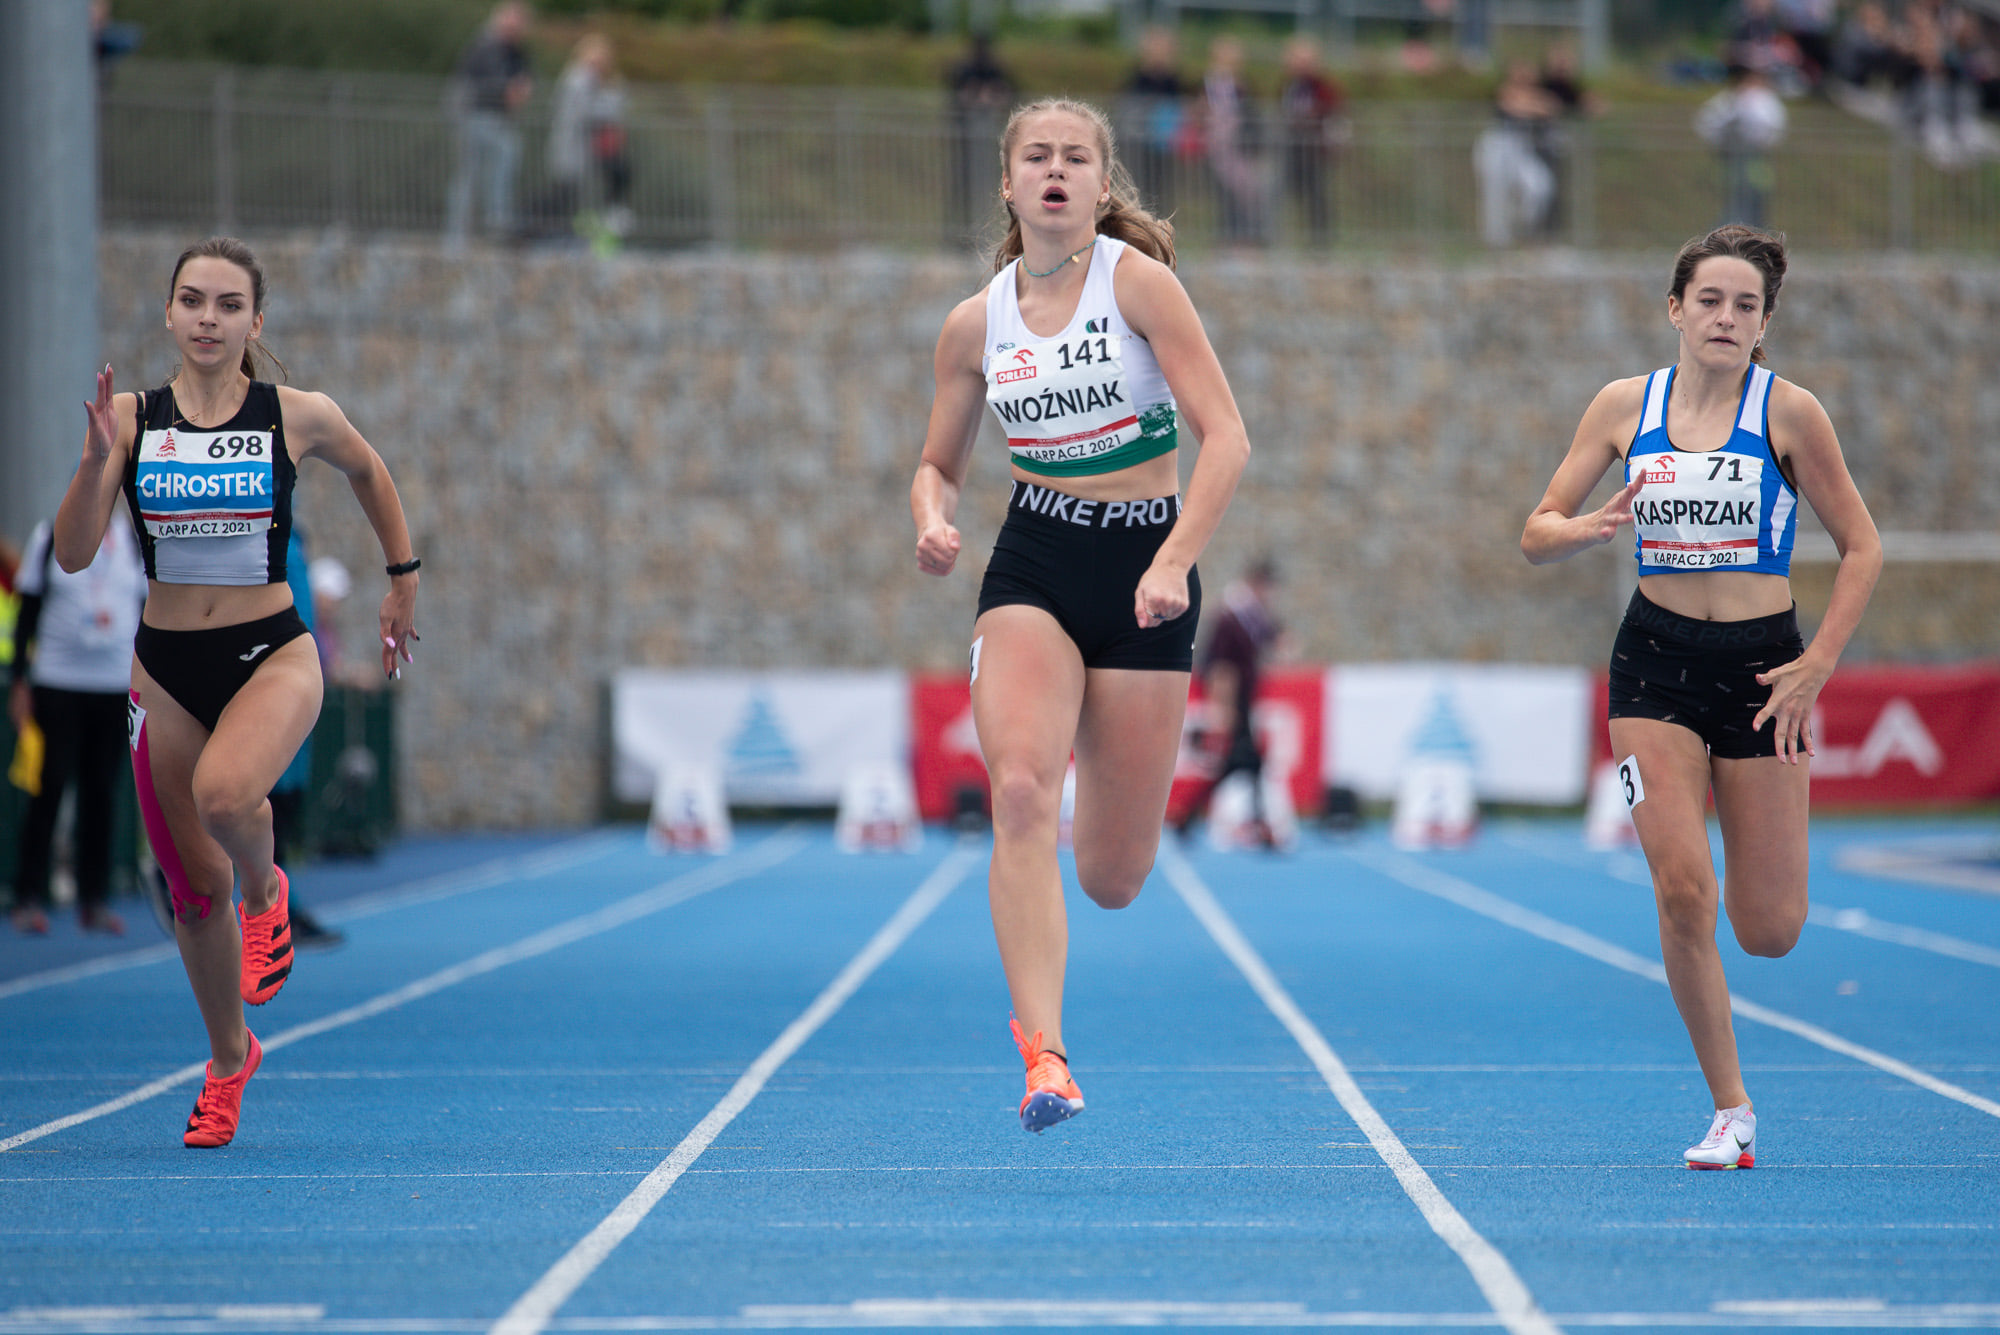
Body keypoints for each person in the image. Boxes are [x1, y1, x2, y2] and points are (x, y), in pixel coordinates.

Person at [910, 98, 1251, 1133]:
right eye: (1034, 157)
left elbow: (1225, 437)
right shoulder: (976, 322)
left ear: (1102, 186)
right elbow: (935, 463)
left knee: (1111, 875)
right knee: (1017, 792)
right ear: (1008, 183)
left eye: (1074, 158)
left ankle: (1058, 1014)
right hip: (1036, 563)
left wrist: (1175, 562)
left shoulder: (1138, 285)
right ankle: (1045, 1058)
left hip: (1147, 565)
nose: (1053, 172)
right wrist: (931, 517)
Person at [1521, 225, 1881, 1169]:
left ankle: (1739, 1046)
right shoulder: (1623, 404)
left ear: (1764, 323)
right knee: (1684, 889)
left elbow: (1864, 548)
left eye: (1746, 305)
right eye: (1711, 300)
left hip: (1767, 672)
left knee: (1769, 931)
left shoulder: (1790, 414)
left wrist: (1816, 667)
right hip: (1655, 665)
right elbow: (1536, 528)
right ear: (1676, 308)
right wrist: (1587, 528)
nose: (1727, 317)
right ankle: (1732, 1110)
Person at [53, 236, 420, 1147]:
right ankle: (227, 1061)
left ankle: (269, 896)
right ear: (170, 314)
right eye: (192, 300)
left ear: (255, 320)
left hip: (272, 651)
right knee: (189, 893)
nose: (208, 318)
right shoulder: (132, 420)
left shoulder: (296, 415)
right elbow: (69, 553)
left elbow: (370, 471)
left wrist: (402, 575)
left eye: (226, 303)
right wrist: (96, 461)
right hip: (166, 667)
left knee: (228, 796)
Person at [8, 513, 148, 935]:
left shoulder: (133, 541)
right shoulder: (49, 535)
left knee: (102, 794)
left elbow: (147, 613)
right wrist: (19, 681)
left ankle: (94, 898)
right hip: (58, 682)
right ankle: (28, 895)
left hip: (113, 685)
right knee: (48, 789)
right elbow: (27, 609)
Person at [1176, 558, 1283, 842]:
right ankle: (1256, 823)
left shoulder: (1250, 616)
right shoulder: (1232, 617)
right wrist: (1222, 706)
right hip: (1235, 701)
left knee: (1242, 763)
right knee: (1247, 762)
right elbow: (1220, 667)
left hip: (1243, 699)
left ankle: (1188, 818)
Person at [445, 1, 534, 246]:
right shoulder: (485, 45)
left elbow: (523, 79)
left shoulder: (514, 50)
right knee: (473, 174)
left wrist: (520, 89)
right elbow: (487, 83)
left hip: (496, 118)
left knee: (493, 163)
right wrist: (510, 90)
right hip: (474, 116)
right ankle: (466, 233)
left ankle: (494, 221)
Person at [546, 32, 632, 250]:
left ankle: (585, 235)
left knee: (581, 194)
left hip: (591, 151)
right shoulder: (578, 79)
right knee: (566, 194)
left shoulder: (604, 81)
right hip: (574, 147)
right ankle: (555, 233)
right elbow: (584, 112)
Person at [1475, 59, 1559, 247]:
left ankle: (1524, 228)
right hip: (1498, 145)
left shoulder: (1535, 94)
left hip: (1521, 147)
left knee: (1540, 185)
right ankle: (1496, 240)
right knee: (1496, 193)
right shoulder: (1506, 90)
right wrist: (1536, 106)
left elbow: (1552, 106)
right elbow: (1515, 105)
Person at [1695, 63, 1787, 228]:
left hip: (1755, 155)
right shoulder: (1729, 98)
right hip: (1731, 156)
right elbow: (1708, 122)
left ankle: (1753, 230)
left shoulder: (1764, 99)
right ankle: (1731, 229)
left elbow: (1772, 127)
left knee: (1754, 197)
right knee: (1734, 198)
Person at [945, 33, 1017, 244]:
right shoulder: (964, 70)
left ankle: (987, 237)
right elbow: (956, 97)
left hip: (989, 143)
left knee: (991, 191)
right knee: (961, 191)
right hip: (965, 143)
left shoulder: (994, 70)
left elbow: (1009, 93)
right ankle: (958, 238)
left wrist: (992, 96)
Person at [1278, 37, 1347, 247]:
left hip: (1315, 151)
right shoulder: (1289, 86)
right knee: (1281, 194)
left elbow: (1333, 114)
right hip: (1293, 149)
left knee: (1317, 198)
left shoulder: (1323, 87)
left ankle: (1321, 242)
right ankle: (1281, 239)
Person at [1122, 27, 1187, 217]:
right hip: (1141, 144)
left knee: (1163, 189)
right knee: (1140, 187)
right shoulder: (1136, 79)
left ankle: (1161, 226)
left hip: (1165, 144)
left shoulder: (1174, 80)